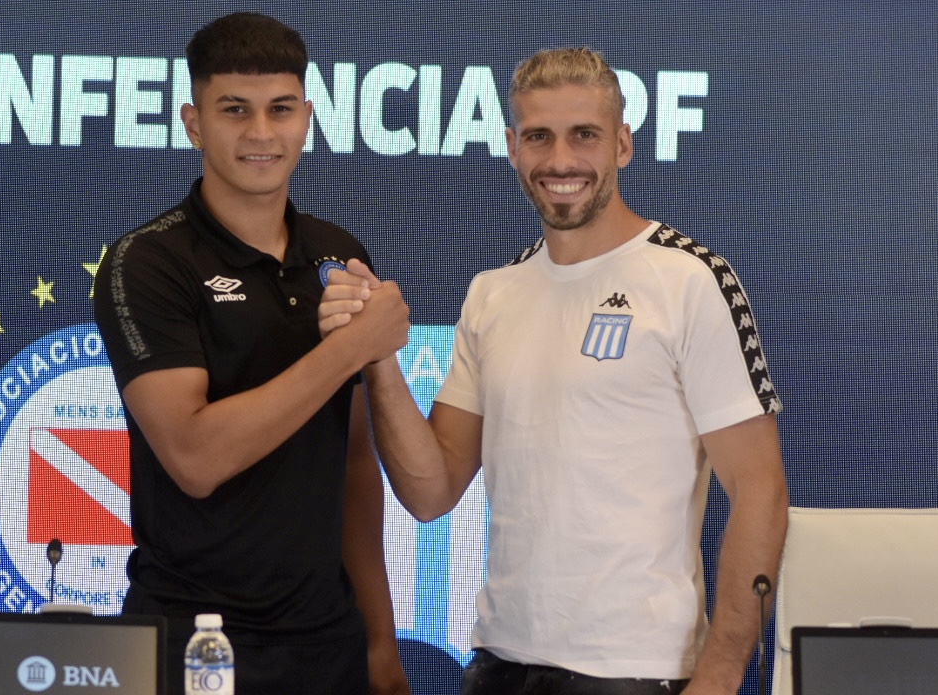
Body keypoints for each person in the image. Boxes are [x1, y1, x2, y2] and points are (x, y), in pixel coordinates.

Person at [323, 46, 789, 695]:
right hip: (497, 666)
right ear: (512, 147)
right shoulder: (493, 292)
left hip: (635, 673)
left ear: (622, 144)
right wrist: (377, 357)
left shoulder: (690, 279)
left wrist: (720, 672)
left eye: (585, 135)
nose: (561, 160)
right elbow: (431, 492)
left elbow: (760, 489)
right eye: (540, 137)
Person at [93, 12, 411, 695]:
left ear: (307, 118)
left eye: (281, 109)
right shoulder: (146, 262)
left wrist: (379, 639)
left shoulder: (339, 254)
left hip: (328, 641)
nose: (262, 133)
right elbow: (195, 459)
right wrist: (351, 348)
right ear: (194, 123)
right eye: (235, 110)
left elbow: (355, 461)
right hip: (189, 640)